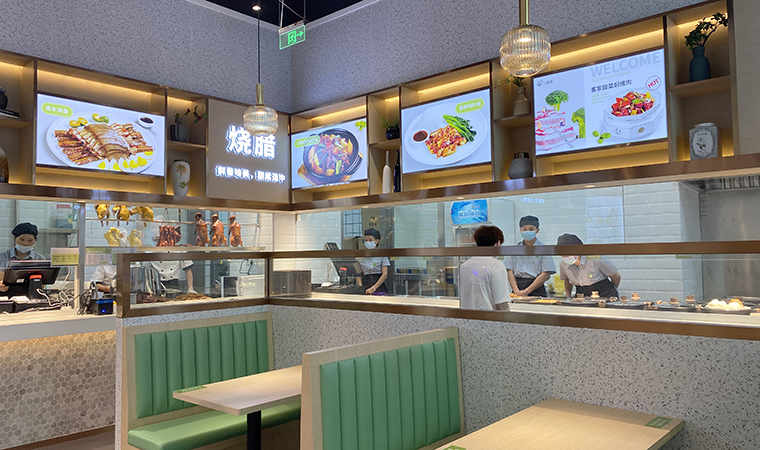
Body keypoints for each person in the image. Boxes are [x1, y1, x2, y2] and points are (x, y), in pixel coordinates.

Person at [459, 225, 510, 311]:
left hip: (466, 316)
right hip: (488, 317)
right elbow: (501, 304)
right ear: (497, 243)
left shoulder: (465, 265)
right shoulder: (496, 265)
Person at [556, 233, 621, 298]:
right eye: (563, 254)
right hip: (581, 294)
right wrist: (568, 297)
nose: (566, 257)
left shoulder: (595, 258)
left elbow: (616, 277)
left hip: (603, 293)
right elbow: (567, 281)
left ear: (579, 250)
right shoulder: (563, 263)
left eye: (569, 254)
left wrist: (610, 291)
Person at [505, 215, 555, 297]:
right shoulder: (515, 249)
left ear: (537, 230)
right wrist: (516, 290)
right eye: (524, 229)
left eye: (531, 229)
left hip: (536, 289)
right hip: (517, 288)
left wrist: (527, 291)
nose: (527, 232)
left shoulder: (543, 249)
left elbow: (545, 273)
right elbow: (510, 271)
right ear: (520, 230)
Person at [0, 223, 46, 296]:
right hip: (6, 296)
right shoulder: (3, 257)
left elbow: (42, 285)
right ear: (15, 239)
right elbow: (1, 280)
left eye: (30, 240)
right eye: (22, 239)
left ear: (35, 241)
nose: (25, 243)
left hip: (31, 296)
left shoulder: (39, 259)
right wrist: (1, 286)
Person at [356, 228, 389, 294]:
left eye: (370, 240)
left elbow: (385, 274)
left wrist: (373, 288)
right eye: (366, 240)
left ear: (377, 241)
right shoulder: (361, 255)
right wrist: (361, 287)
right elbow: (359, 274)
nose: (368, 242)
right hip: (365, 285)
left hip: (379, 286)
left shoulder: (382, 255)